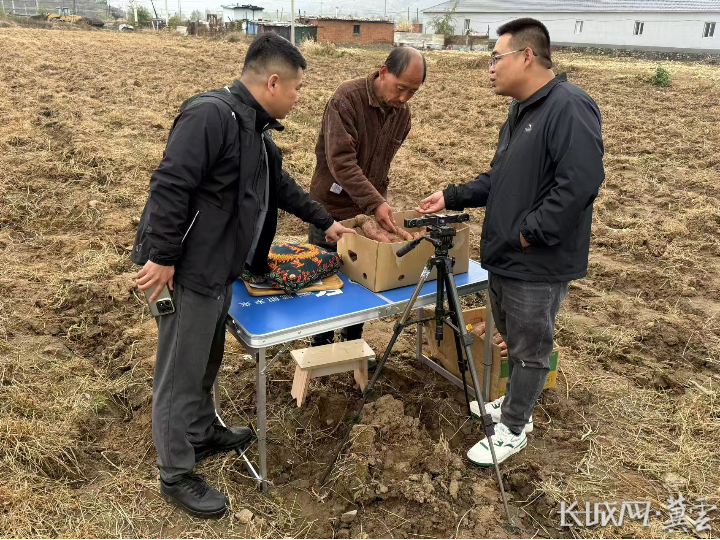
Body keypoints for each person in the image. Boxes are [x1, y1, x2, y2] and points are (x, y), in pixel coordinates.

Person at [131, 33, 354, 519]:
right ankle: (175, 473)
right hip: (187, 270)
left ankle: (201, 430)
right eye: (296, 89)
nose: (298, 98)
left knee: (206, 358)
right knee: (179, 371)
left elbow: (284, 189)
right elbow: (170, 184)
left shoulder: (255, 131)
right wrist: (164, 255)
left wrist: (326, 222)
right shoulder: (210, 116)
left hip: (219, 270)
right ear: (272, 82)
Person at [417, 18, 604, 467]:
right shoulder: (521, 112)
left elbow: (579, 185)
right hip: (507, 258)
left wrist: (526, 233)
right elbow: (500, 179)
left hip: (535, 261)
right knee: (513, 340)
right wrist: (452, 195)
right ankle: (514, 405)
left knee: (531, 350)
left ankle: (514, 427)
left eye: (495, 57)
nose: (490, 68)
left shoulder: (569, 106)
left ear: (526, 56)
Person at [308, 47, 427, 348]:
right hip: (332, 206)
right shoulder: (346, 99)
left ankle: (352, 342)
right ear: (383, 72)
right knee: (325, 276)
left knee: (362, 277)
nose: (403, 98)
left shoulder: (403, 115)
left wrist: (375, 203)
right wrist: (375, 201)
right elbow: (342, 163)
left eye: (411, 92)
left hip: (370, 208)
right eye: (401, 88)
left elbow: (382, 161)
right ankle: (321, 344)